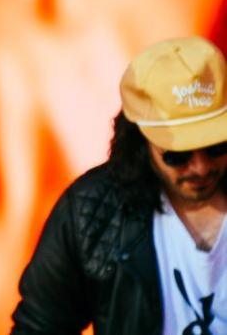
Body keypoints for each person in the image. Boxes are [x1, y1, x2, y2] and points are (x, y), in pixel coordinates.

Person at [11, 36, 227, 334]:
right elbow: (38, 326)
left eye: (216, 146)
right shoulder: (92, 211)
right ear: (140, 141)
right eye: (178, 154)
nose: (201, 167)